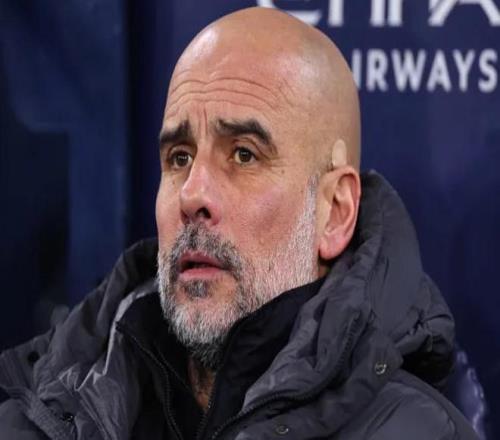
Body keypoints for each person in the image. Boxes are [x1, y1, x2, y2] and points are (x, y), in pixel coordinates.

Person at [0, 7, 479, 440]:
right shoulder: (44, 409)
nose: (192, 195)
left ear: (334, 212)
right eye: (179, 157)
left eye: (244, 154)